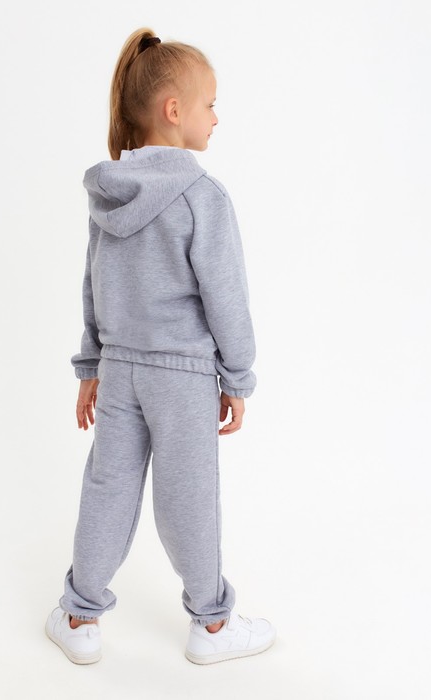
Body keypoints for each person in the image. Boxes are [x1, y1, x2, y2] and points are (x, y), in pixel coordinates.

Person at [45, 27, 276, 665]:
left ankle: (79, 617)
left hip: (120, 371)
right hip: (182, 375)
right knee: (188, 498)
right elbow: (226, 297)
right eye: (210, 105)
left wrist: (91, 365)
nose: (216, 117)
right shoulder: (203, 197)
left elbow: (93, 285)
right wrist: (237, 375)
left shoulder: (109, 194)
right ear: (174, 110)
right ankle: (212, 628)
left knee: (108, 488)